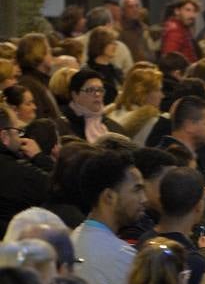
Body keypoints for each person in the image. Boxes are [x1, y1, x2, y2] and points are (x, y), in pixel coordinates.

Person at [70, 150, 146, 284]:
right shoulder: (118, 254)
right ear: (109, 197)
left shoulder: (75, 237)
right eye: (137, 189)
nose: (144, 199)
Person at [0, 105, 52, 234]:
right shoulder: (19, 172)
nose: (21, 138)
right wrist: (39, 157)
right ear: (4, 136)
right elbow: (56, 188)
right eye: (18, 132)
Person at [104, 65, 164, 146]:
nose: (162, 95)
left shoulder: (110, 114)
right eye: (157, 90)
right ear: (143, 93)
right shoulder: (153, 122)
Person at [61, 69, 126, 143]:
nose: (97, 94)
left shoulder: (115, 129)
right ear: (75, 95)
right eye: (90, 90)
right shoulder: (62, 127)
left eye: (100, 90)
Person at [85, 27, 124, 105]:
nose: (115, 45)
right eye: (110, 42)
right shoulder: (88, 72)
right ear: (99, 44)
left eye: (115, 42)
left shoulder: (116, 70)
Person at [160, 0, 201, 64]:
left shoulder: (183, 29)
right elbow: (169, 60)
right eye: (187, 10)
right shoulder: (174, 31)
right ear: (177, 11)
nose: (192, 15)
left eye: (194, 11)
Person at [117, 0, 154, 65]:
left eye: (137, 6)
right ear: (123, 10)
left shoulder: (144, 29)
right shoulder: (118, 30)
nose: (135, 9)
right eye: (130, 7)